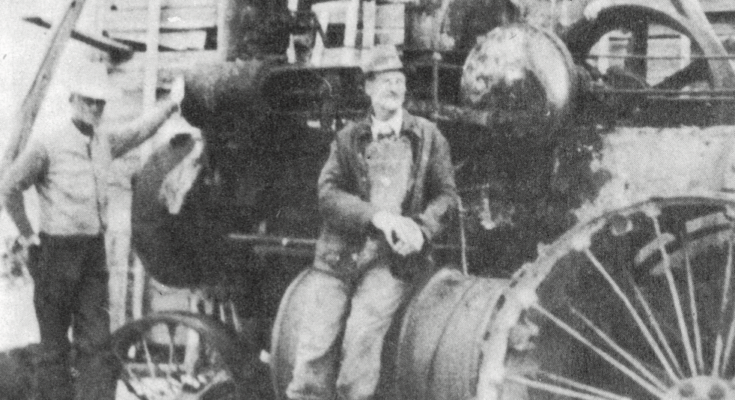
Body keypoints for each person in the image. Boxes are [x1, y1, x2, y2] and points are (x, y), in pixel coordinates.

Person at [0, 61, 185, 400]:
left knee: (97, 343)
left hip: (92, 254)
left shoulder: (104, 141)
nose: (95, 108)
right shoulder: (47, 143)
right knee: (54, 346)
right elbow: (8, 187)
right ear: (72, 99)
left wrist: (172, 103)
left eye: (101, 102)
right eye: (89, 100)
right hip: (55, 254)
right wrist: (28, 235)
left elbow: (139, 130)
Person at [287, 45, 458, 400]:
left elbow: (446, 196)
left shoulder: (428, 137)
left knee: (360, 341)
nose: (394, 88)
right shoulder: (348, 138)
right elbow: (328, 194)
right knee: (313, 349)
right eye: (385, 81)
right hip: (339, 257)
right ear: (368, 88)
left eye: (399, 81)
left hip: (390, 262)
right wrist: (376, 217)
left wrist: (421, 230)